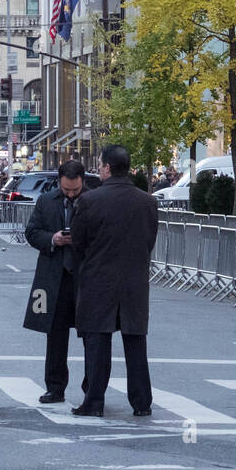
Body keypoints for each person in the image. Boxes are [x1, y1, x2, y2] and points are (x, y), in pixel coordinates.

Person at [69, 145, 158, 417]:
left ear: (107, 167)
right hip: (134, 281)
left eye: (100, 164)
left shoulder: (89, 201)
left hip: (98, 280)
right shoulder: (147, 201)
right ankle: (141, 403)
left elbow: (78, 242)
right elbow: (149, 241)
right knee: (135, 344)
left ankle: (94, 401)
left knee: (97, 344)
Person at [24, 160, 89, 404]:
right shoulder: (46, 201)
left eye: (75, 190)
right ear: (59, 183)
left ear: (83, 181)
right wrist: (52, 239)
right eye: (66, 190)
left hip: (84, 276)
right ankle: (55, 387)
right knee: (55, 336)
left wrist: (79, 240)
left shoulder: (93, 201)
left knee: (91, 336)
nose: (71, 194)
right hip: (54, 276)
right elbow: (31, 232)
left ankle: (90, 388)